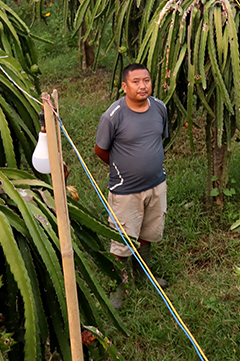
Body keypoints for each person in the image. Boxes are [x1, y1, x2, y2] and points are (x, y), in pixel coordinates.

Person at [95, 63, 169, 309]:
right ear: (124, 86)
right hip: (125, 190)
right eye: (135, 82)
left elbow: (160, 140)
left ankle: (143, 276)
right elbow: (100, 150)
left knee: (148, 232)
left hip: (157, 184)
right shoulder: (113, 115)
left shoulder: (159, 108)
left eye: (146, 80)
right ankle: (119, 284)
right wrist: (125, 168)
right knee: (122, 240)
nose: (142, 86)